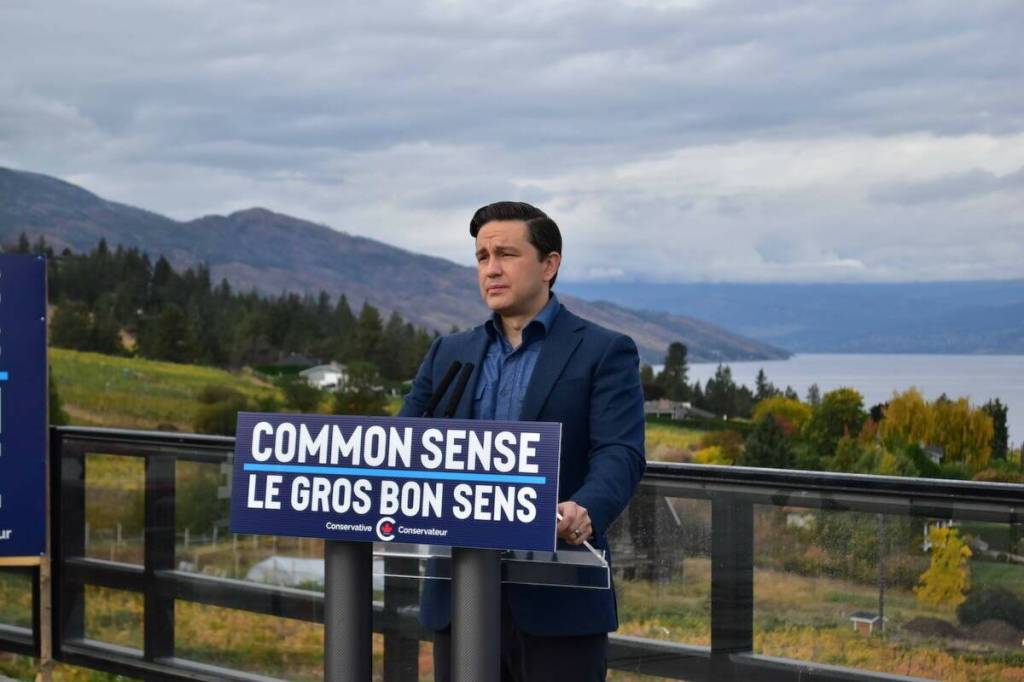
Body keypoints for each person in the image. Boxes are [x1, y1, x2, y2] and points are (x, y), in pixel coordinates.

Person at [399, 201, 646, 682]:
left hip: (559, 595)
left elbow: (621, 452)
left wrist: (585, 509)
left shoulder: (603, 350)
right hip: (458, 594)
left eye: (506, 254)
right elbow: (401, 444)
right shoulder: (449, 352)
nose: (491, 269)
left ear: (549, 265)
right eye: (482, 257)